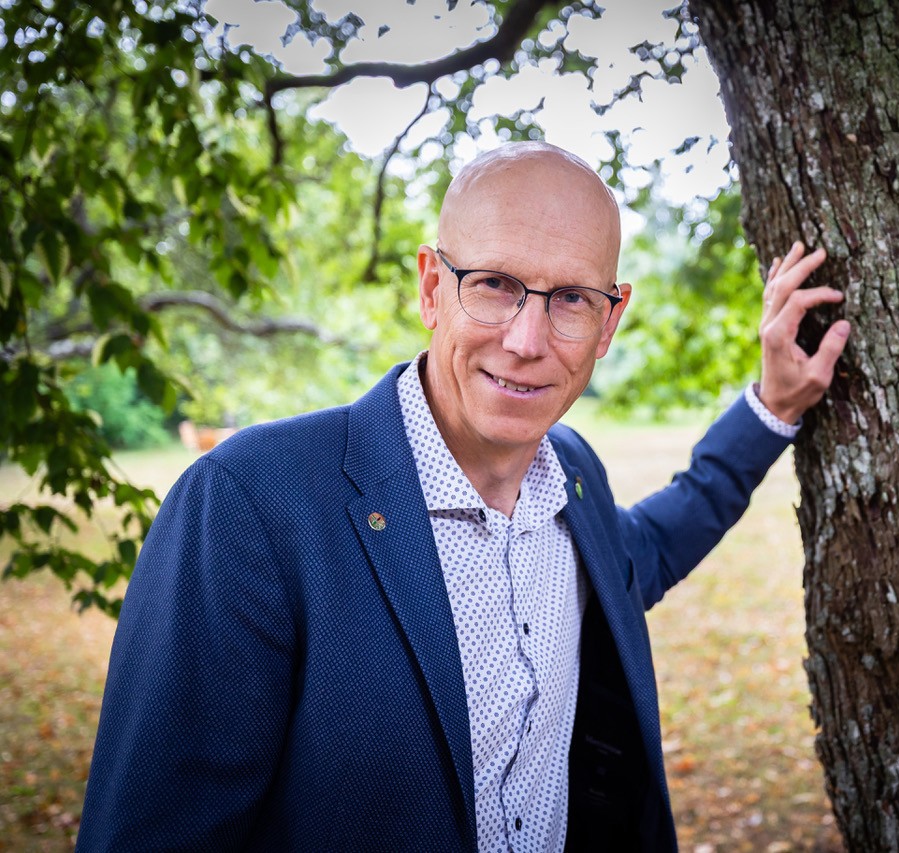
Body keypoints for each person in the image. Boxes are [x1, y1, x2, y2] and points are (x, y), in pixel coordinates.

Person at [77, 142, 851, 851]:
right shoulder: (248, 503)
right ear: (430, 287)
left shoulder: (572, 478)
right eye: (494, 285)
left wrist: (773, 408)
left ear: (611, 320)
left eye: (571, 299)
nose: (525, 339)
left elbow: (649, 547)